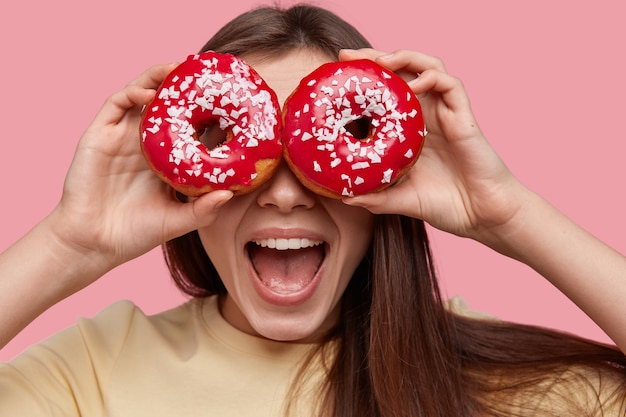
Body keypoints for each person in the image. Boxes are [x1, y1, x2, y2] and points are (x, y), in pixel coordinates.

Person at [1, 3, 625, 416]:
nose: (284, 193)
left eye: (312, 161)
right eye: (248, 148)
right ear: (185, 183)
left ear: (385, 188)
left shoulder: (490, 382)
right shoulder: (92, 371)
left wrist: (508, 213)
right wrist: (69, 244)